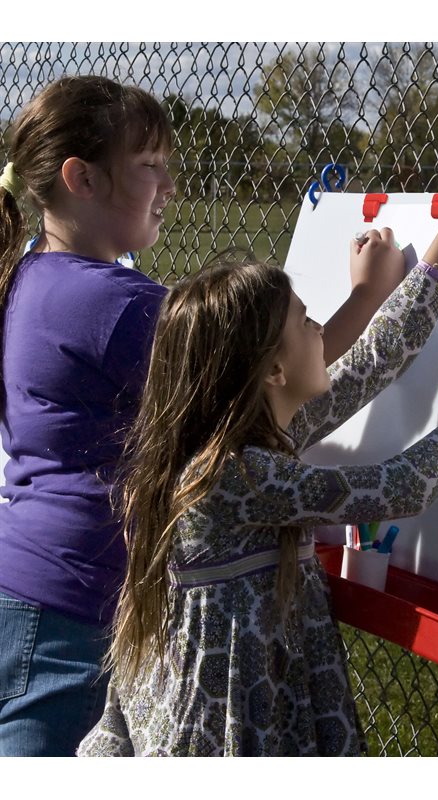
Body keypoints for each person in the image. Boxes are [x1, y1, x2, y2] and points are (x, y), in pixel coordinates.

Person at [0, 75, 404, 757]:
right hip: (77, 603)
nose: (170, 186)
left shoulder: (32, 273)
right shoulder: (116, 304)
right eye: (150, 166)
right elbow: (266, 379)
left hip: (30, 580)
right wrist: (369, 298)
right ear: (82, 179)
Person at [76, 161, 438, 756]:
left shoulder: (253, 431)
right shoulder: (234, 474)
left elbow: (377, 358)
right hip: (219, 734)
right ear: (274, 371)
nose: (321, 331)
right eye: (306, 321)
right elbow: (399, 487)